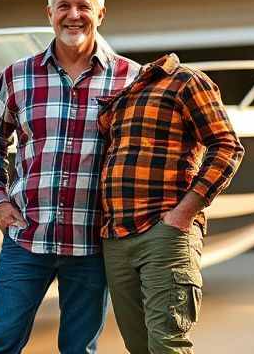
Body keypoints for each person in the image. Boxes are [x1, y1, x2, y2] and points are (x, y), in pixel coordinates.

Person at [0, 0, 141, 353]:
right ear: (49, 13)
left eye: (84, 5)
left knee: (79, 350)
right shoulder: (16, 77)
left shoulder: (131, 80)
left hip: (92, 244)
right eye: (63, 5)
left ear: (101, 14)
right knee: (0, 342)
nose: (74, 14)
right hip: (26, 238)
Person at [97, 53, 245, 354]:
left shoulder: (186, 81)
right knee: (138, 346)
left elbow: (227, 146)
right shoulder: (121, 97)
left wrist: (183, 213)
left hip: (164, 233)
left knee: (167, 345)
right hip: (116, 238)